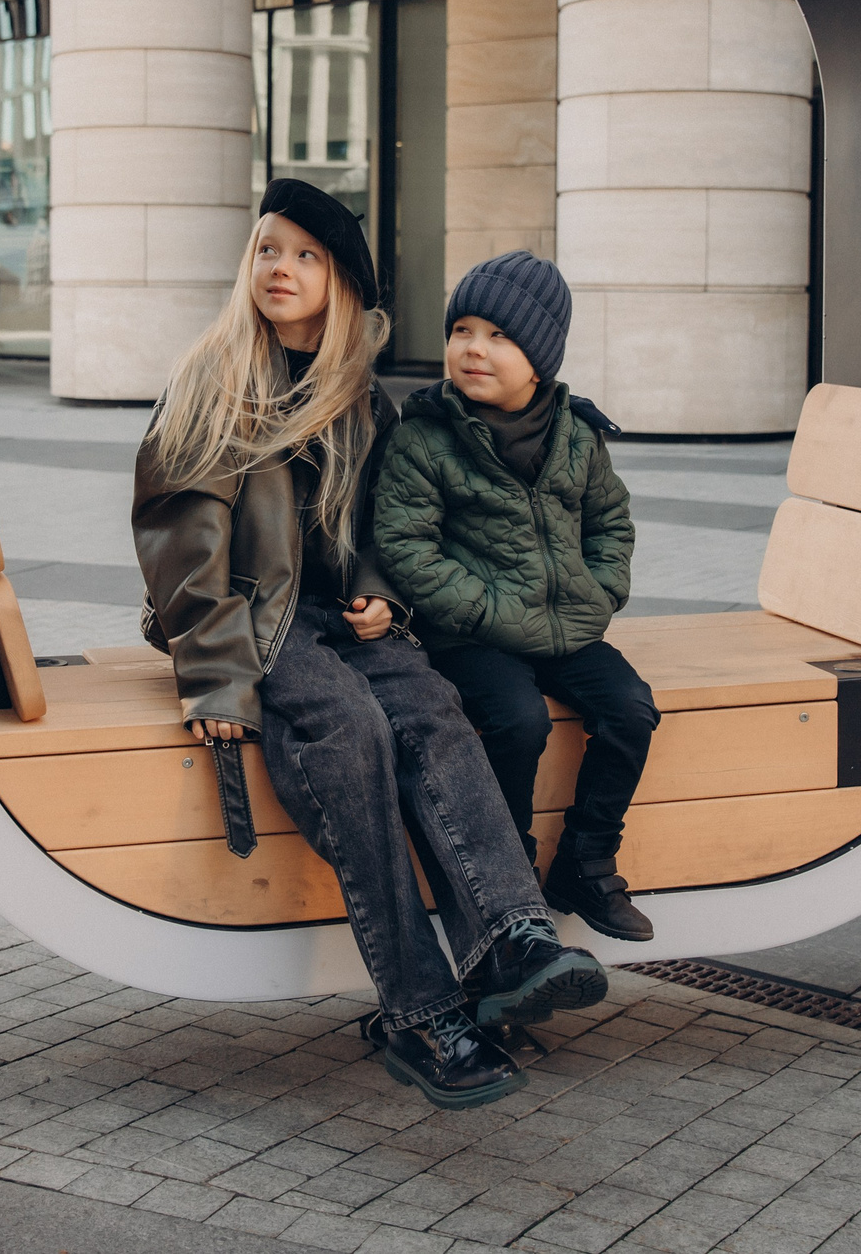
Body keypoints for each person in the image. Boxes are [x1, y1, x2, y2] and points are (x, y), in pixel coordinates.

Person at [132, 179, 608, 1112]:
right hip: (248, 620)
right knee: (352, 731)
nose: (280, 268)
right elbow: (180, 551)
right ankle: (419, 1012)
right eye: (269, 249)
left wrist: (382, 600)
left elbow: (384, 534)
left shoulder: (361, 399)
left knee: (432, 708)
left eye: (305, 255)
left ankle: (513, 938)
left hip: (336, 617)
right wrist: (219, 683)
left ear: (341, 283)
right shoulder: (215, 380)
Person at [372, 251, 661, 941]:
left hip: (566, 623)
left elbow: (609, 522)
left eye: (500, 335)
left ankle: (588, 862)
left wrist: (602, 590)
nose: (474, 348)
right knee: (517, 722)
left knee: (631, 708)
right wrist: (489, 611)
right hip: (473, 634)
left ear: (541, 358)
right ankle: (511, 882)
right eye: (463, 329)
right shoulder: (424, 437)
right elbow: (407, 548)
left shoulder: (577, 434)